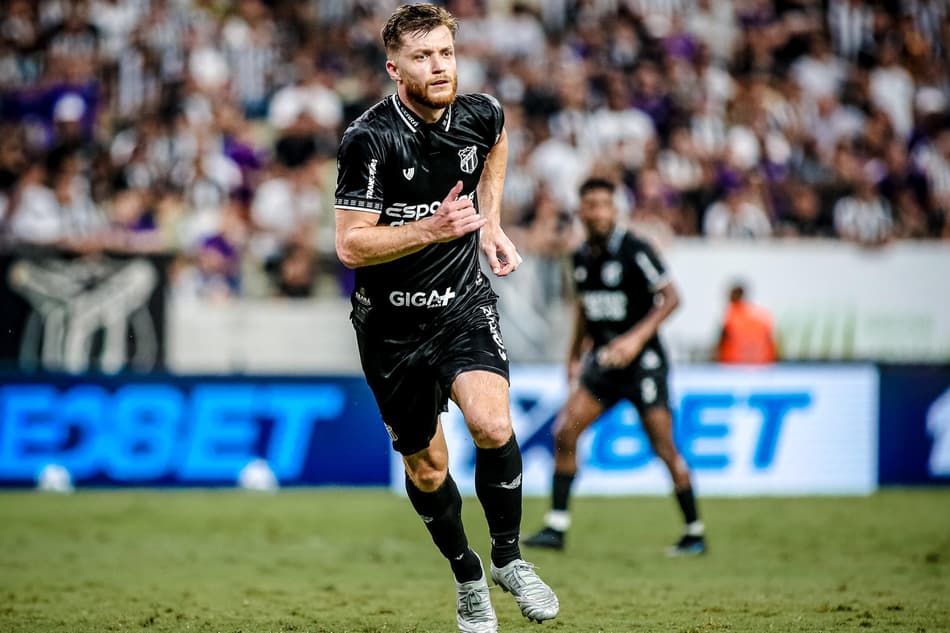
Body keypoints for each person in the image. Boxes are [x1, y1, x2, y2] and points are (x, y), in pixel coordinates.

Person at [333, 5, 558, 632]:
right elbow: (351, 245)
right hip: (389, 328)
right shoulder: (369, 139)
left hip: (462, 305)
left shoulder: (481, 113)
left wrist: (492, 223)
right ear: (395, 66)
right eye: (424, 56)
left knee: (491, 422)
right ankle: (467, 576)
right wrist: (432, 228)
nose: (439, 66)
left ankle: (511, 558)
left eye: (446, 53)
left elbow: (498, 142)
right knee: (427, 467)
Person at [523, 178, 706, 556]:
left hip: (644, 365)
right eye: (590, 204)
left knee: (664, 447)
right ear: (582, 211)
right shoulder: (579, 258)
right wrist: (574, 355)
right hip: (604, 365)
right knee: (565, 432)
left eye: (604, 204)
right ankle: (556, 527)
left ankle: (694, 531)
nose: (597, 211)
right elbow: (585, 311)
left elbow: (671, 298)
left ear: (615, 209)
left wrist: (635, 340)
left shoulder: (635, 248)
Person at [716, 282, 778, 364]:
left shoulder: (731, 317)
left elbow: (721, 342)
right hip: (762, 364)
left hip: (734, 365)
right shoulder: (762, 316)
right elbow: (771, 341)